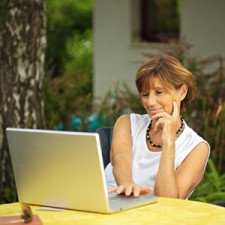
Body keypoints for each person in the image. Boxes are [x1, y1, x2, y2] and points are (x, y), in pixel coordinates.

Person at [105, 55, 210, 199]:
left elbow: (168, 202)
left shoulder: (197, 148)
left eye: (159, 92)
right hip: (108, 205)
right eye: (145, 94)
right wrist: (127, 186)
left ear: (182, 92)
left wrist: (169, 142)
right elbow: (120, 158)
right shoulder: (127, 123)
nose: (151, 102)